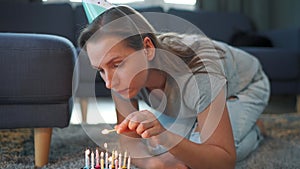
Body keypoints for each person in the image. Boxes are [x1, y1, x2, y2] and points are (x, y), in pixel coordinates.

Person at [78, 5, 270, 169]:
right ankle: (202, 120)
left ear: (147, 48)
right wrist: (153, 164)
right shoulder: (120, 79)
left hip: (245, 86)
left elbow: (224, 160)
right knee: (156, 148)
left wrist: (166, 136)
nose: (109, 82)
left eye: (117, 64)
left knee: (196, 152)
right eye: (100, 70)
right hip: (191, 101)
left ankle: (255, 129)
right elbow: (129, 139)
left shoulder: (201, 76)